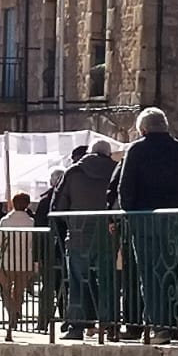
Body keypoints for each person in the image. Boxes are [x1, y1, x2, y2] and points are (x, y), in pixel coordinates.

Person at [115, 108, 178, 343]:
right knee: (175, 272)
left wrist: (130, 215)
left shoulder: (136, 150)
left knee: (150, 274)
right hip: (175, 220)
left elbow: (125, 190)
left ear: (142, 129)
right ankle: (176, 324)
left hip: (144, 219)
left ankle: (159, 326)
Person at [50, 141, 117, 340]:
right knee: (108, 281)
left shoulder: (73, 172)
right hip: (107, 235)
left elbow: (58, 207)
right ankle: (110, 325)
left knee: (78, 282)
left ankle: (77, 327)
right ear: (108, 153)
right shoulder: (116, 170)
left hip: (78, 235)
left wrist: (70, 222)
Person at [0, 192, 39, 331]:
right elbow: (34, 244)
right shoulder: (32, 223)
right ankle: (17, 309)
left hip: (7, 261)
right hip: (25, 262)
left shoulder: (5, 221)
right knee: (19, 291)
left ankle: (11, 314)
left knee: (5, 290)